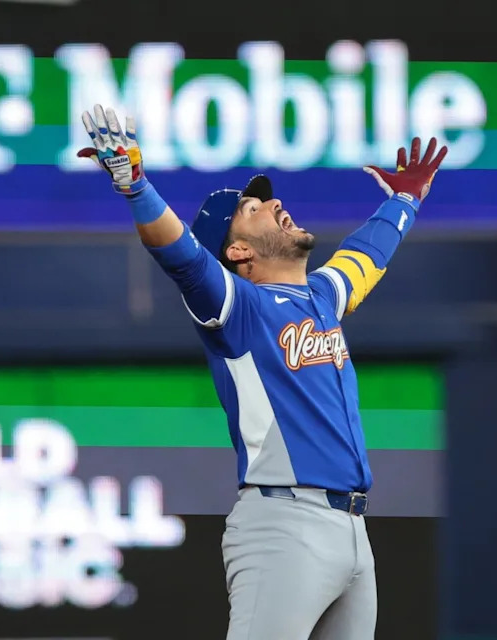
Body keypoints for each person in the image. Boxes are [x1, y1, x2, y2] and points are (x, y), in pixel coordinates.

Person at [77, 104, 447, 639]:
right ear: (238, 250)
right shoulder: (237, 307)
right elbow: (180, 254)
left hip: (353, 530)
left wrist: (406, 200)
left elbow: (368, 251)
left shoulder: (322, 294)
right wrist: (136, 187)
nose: (274, 203)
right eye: (253, 208)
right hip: (284, 522)